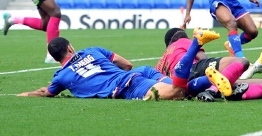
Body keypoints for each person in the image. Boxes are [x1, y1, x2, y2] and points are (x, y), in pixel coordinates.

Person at [18, 29, 232, 100]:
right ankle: (209, 79)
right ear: (71, 48)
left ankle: (196, 43)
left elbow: (46, 92)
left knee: (176, 91)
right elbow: (127, 64)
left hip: (127, 85)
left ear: (56, 58)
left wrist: (24, 94)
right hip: (141, 71)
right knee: (184, 92)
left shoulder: (61, 77)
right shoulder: (91, 50)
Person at [156, 28, 262, 102]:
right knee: (242, 62)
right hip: (194, 70)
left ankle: (225, 92)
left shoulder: (161, 61)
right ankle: (212, 90)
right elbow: (203, 59)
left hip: (187, 87)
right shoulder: (181, 41)